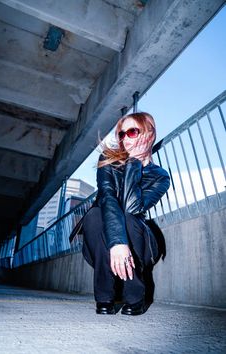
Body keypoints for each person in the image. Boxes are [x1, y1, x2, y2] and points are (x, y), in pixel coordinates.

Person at [81, 112, 170, 315]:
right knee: (94, 214)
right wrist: (117, 243)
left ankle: (135, 296)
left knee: (129, 218)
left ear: (149, 132)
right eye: (121, 134)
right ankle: (104, 297)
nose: (125, 139)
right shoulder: (108, 160)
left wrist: (134, 164)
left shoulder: (160, 176)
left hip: (140, 242)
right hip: (102, 243)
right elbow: (108, 198)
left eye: (132, 132)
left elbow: (133, 208)